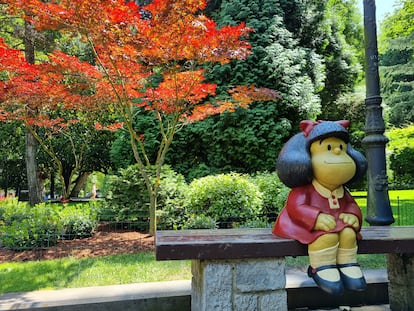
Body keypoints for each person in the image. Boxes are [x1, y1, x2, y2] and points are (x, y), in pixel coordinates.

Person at [273, 120, 367, 296]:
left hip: (337, 223)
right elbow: (296, 207)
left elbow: (351, 204)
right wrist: (315, 217)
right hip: (308, 227)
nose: (338, 151)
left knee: (348, 234)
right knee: (326, 237)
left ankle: (348, 263)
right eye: (329, 148)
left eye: (342, 148)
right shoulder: (305, 190)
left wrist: (353, 215)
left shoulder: (341, 190)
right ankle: (321, 267)